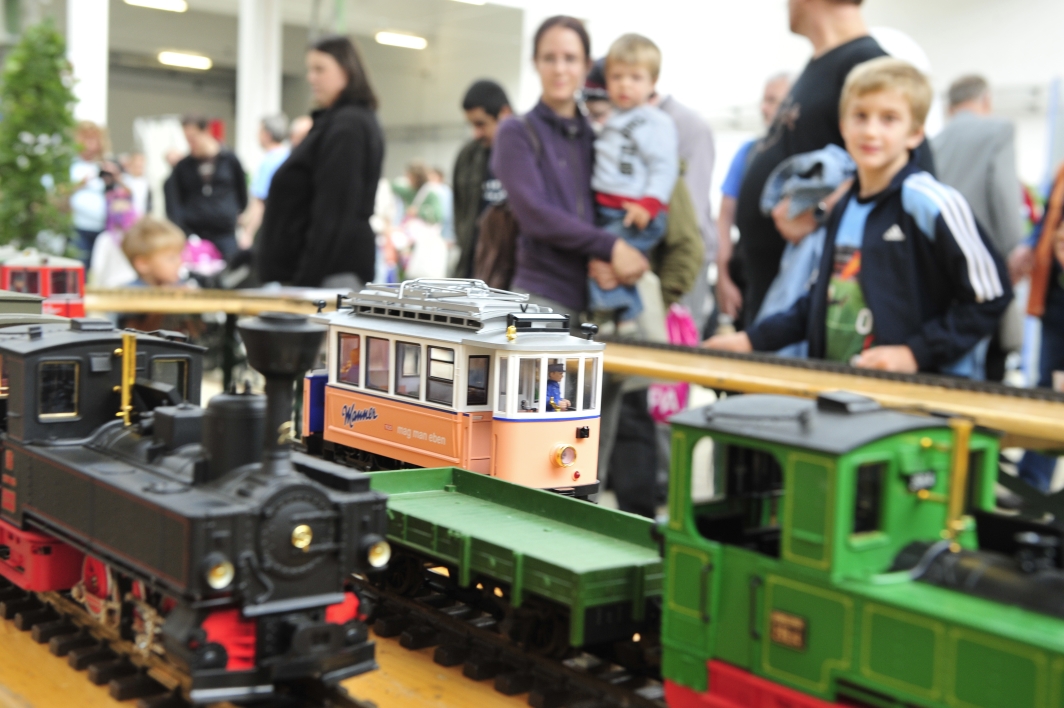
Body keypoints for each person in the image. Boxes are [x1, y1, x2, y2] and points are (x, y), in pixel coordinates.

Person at [706, 58, 1011, 377]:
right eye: (860, 116)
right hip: (839, 389)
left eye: (889, 119)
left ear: (915, 133)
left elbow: (990, 296)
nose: (870, 131)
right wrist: (752, 339)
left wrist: (915, 353)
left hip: (915, 400)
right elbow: (821, 302)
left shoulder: (933, 203)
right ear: (843, 126)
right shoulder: (841, 207)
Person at [733, 0, 934, 330]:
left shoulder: (864, 63)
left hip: (814, 298)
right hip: (776, 290)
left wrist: (818, 210)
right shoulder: (819, 65)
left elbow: (914, 169)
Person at [492, 16, 648, 323]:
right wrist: (611, 246)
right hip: (540, 297)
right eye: (549, 58)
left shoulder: (597, 138)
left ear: (586, 66)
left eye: (570, 58)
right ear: (535, 63)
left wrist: (620, 259)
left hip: (598, 299)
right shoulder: (516, 132)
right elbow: (535, 214)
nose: (560, 69)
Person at [257, 35, 384, 290]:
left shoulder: (348, 127)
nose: (311, 78)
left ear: (346, 71)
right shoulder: (336, 122)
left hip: (327, 277)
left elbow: (334, 213)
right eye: (309, 69)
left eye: (320, 69)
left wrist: (306, 284)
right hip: (318, 275)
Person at [932, 75, 1026, 381]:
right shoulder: (998, 130)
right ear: (986, 100)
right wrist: (1015, 248)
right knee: (992, 365)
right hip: (987, 267)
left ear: (950, 106)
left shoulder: (935, 142)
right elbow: (1003, 194)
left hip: (942, 272)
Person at [589, 33, 678, 324]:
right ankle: (618, 315)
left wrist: (649, 204)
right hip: (609, 209)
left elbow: (664, 166)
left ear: (652, 82)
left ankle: (624, 315)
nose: (625, 84)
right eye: (617, 77)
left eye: (635, 77)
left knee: (602, 261)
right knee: (604, 263)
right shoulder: (613, 119)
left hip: (635, 213)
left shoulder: (655, 121)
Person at [716, 73, 792, 322]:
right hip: (745, 271)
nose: (764, 108)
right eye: (764, 100)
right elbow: (724, 218)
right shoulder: (749, 152)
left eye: (773, 101)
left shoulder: (805, 156)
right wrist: (723, 277)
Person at [1015, 163, 1064, 490]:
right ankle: (1032, 488)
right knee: (1050, 390)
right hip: (1056, 300)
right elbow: (1049, 220)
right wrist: (1031, 244)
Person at [164, 115, 248, 260]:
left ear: (206, 131)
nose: (190, 142)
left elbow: (242, 191)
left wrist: (232, 212)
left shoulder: (229, 160)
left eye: (193, 137)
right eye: (187, 138)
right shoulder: (183, 166)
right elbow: (175, 200)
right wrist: (185, 231)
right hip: (195, 235)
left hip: (225, 233)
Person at [453, 80, 512, 278]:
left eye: (481, 124)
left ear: (504, 114)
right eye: (471, 125)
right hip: (472, 273)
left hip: (514, 278)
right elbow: (459, 213)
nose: (476, 133)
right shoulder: (467, 157)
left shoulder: (530, 154)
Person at [241, 113, 290, 248]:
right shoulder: (289, 156)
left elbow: (260, 203)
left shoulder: (269, 162)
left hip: (268, 231)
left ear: (266, 134)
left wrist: (248, 234)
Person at [70, 121, 113, 265]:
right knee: (80, 267)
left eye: (93, 139)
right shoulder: (70, 165)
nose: (89, 144)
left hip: (103, 228)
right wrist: (79, 185)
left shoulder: (105, 165)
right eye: (85, 139)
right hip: (78, 227)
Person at [122, 216, 188, 287]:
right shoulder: (128, 293)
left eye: (179, 255)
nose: (179, 262)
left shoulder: (180, 287)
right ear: (143, 263)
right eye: (171, 258)